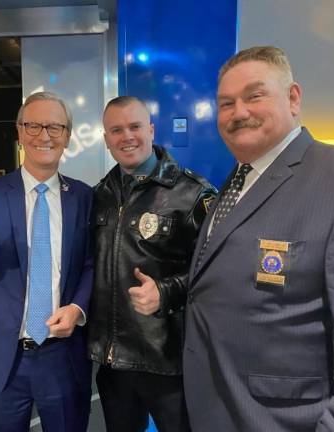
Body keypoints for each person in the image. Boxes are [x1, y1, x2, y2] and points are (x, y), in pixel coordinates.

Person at [184, 46, 334, 431]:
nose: (238, 112)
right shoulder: (237, 181)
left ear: (293, 98)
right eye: (226, 103)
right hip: (221, 409)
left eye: (254, 96)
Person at [0, 91, 93, 432]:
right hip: (5, 358)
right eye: (34, 125)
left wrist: (78, 309)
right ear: (20, 132)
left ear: (67, 136)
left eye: (55, 127)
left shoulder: (83, 196)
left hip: (62, 355)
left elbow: (89, 262)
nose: (44, 135)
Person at [88, 96, 217, 432]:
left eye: (134, 127)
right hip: (114, 363)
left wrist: (165, 292)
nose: (126, 136)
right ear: (106, 139)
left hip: (169, 362)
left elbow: (217, 272)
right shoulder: (99, 194)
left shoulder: (193, 194)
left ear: (151, 130)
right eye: (116, 130)